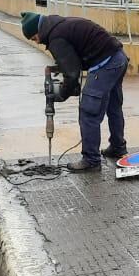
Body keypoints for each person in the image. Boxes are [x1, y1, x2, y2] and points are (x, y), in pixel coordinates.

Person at [21, 11, 128, 171]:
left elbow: (72, 73)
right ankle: (118, 147)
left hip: (105, 64)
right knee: (113, 107)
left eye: (34, 38)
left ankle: (91, 160)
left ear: (38, 31)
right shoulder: (61, 25)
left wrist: (62, 94)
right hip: (118, 58)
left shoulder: (56, 38)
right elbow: (73, 61)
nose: (37, 42)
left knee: (88, 111)